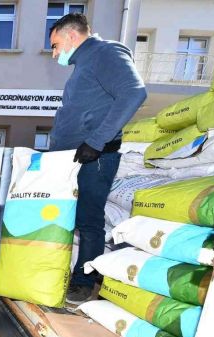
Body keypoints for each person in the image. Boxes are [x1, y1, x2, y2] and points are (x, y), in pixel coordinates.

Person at [48, 13, 146, 305]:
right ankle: (68, 274)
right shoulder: (84, 65)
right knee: (69, 219)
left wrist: (96, 140)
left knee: (89, 220)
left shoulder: (106, 52)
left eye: (55, 45)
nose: (54, 54)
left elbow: (134, 93)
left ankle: (84, 281)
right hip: (74, 158)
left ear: (71, 37)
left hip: (94, 157)